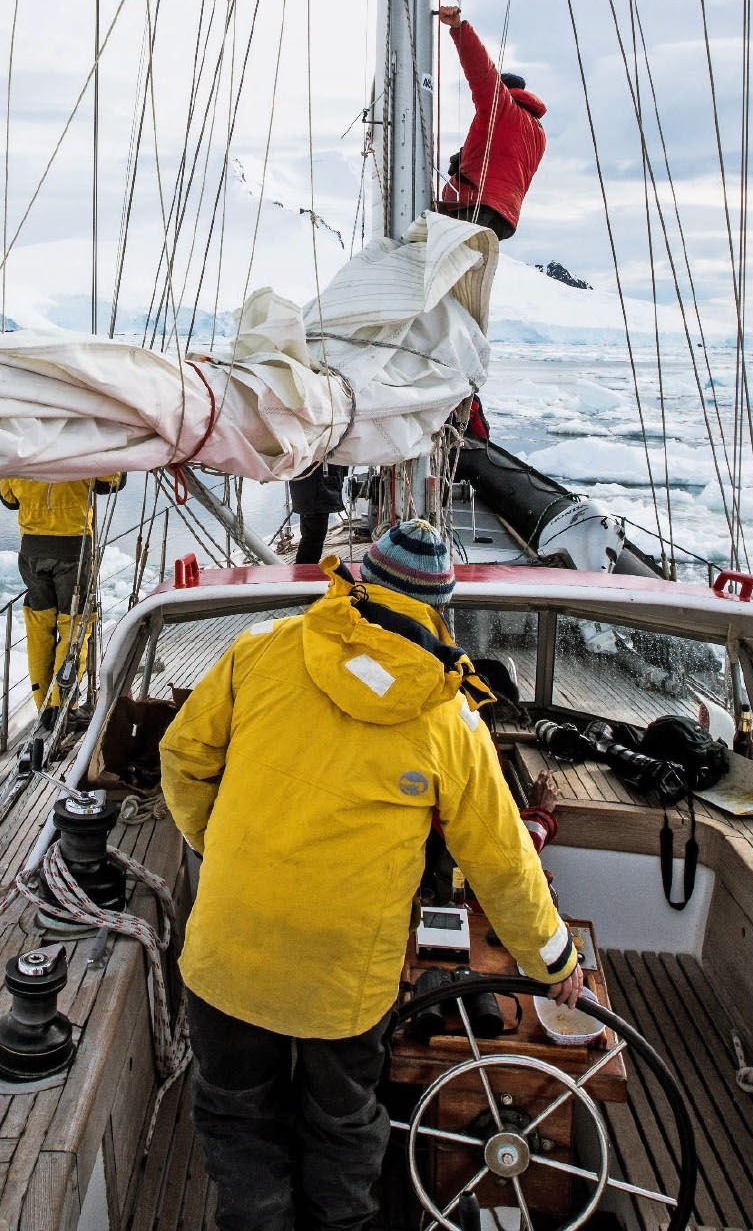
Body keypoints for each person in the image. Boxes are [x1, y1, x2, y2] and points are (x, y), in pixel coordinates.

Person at [160, 517, 582, 1231]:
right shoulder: (451, 720)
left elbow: (182, 757)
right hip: (343, 978)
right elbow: (502, 860)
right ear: (440, 610)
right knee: (342, 1124)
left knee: (237, 1117)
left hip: (229, 951)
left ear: (359, 583)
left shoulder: (260, 650)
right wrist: (554, 961)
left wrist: (218, 846)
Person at [0, 474, 125, 711]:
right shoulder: (81, 451)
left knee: (40, 626)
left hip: (32, 551)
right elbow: (113, 480)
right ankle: (62, 706)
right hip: (73, 547)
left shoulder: (20, 454)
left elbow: (9, 498)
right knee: (74, 624)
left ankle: (44, 706)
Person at [437, 4, 547, 240]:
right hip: (505, 216)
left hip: (474, 202)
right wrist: (466, 158)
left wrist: (459, 28)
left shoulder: (501, 105)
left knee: (429, 251)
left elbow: (481, 70)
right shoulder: (537, 131)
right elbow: (503, 156)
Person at [288, 460, 348, 565]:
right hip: (316, 488)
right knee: (314, 535)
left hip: (313, 486)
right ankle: (306, 571)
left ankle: (305, 569)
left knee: (312, 534)